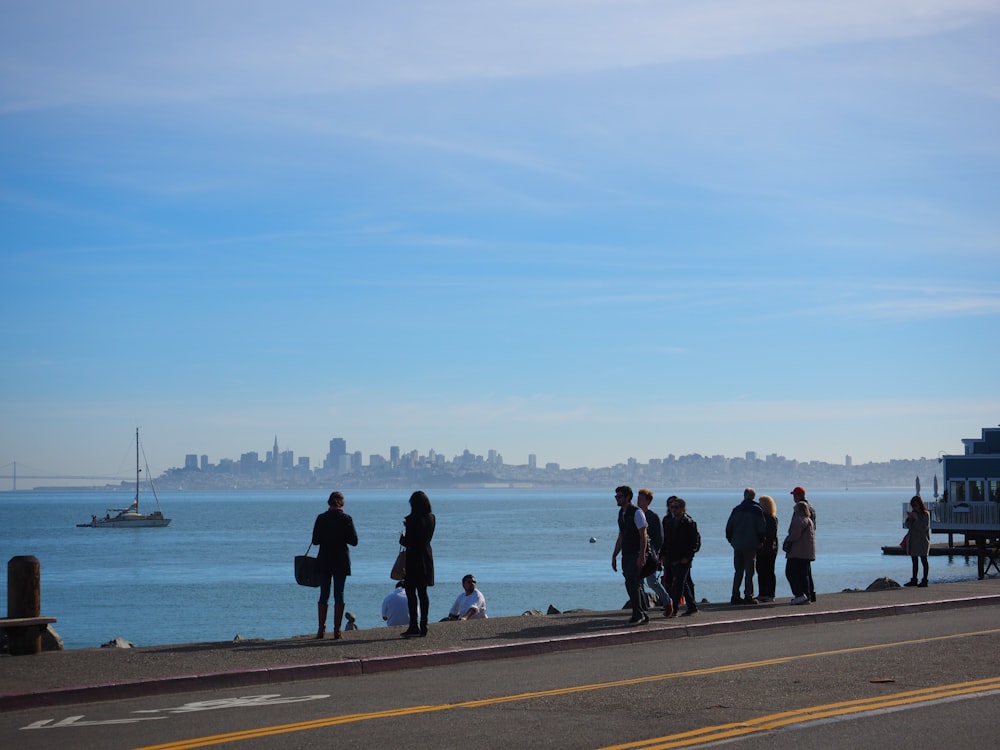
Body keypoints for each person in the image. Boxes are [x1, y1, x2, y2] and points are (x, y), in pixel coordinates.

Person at [311, 491, 359, 640]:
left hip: (324, 560)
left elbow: (315, 541)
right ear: (341, 503)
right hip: (341, 560)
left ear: (329, 502)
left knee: (324, 595)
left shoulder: (321, 518)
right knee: (339, 594)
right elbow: (354, 541)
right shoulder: (346, 519)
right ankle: (337, 630)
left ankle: (321, 630)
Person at [611, 485, 649, 625]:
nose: (617, 499)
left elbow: (643, 535)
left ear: (628, 497)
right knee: (631, 583)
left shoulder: (637, 513)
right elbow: (621, 535)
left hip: (636, 552)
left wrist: (642, 555)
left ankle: (639, 613)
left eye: (620, 496)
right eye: (616, 496)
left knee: (633, 582)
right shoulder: (622, 513)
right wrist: (614, 555)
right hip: (626, 553)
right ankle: (641, 613)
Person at [400, 490, 436, 638]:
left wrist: (402, 537)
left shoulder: (412, 519)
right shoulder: (432, 518)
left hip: (414, 558)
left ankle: (413, 625)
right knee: (423, 592)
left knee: (411, 592)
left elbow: (409, 541)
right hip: (426, 556)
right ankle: (424, 624)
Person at [726, 488, 766, 605]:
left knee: (738, 571)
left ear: (744, 496)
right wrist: (760, 542)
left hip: (737, 544)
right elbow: (762, 528)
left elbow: (729, 528)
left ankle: (735, 595)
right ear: (753, 497)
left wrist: (732, 541)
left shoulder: (736, 510)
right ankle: (748, 595)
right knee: (749, 572)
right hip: (751, 544)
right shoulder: (757, 510)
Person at [636, 488, 672, 616]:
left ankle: (668, 602)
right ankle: (641, 609)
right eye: (638, 498)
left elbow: (659, 538)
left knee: (652, 582)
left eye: (641, 498)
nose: (638, 500)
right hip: (638, 554)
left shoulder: (653, 517)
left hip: (650, 555)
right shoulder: (636, 515)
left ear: (648, 501)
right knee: (637, 582)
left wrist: (655, 553)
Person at [661, 496, 699, 616]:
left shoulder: (689, 523)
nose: (673, 510)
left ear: (683, 509)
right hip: (671, 557)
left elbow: (695, 542)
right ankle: (692, 606)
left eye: (676, 507)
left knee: (678, 583)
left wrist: (688, 557)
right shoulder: (669, 522)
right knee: (682, 583)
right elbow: (665, 540)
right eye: (672, 507)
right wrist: (662, 555)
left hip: (684, 559)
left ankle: (675, 608)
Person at [783, 498, 816, 604]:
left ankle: (799, 594)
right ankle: (807, 595)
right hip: (806, 552)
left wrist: (787, 539)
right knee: (803, 574)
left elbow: (794, 535)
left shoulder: (799, 520)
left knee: (790, 573)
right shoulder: (809, 520)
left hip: (797, 552)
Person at [791, 486, 817, 601]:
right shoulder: (811, 508)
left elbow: (798, 528)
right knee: (806, 571)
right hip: (807, 544)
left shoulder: (801, 508)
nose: (793, 498)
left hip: (801, 544)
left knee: (798, 571)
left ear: (799, 496)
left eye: (794, 495)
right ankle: (810, 594)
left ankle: (805, 595)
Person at [756, 495, 779, 602]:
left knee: (768, 570)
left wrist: (761, 540)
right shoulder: (768, 517)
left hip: (768, 548)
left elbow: (770, 534)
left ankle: (769, 593)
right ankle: (763, 593)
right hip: (767, 548)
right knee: (761, 570)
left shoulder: (770, 518)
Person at [904, 495, 931, 587]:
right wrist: (910, 518)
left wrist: (917, 519)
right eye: (913, 506)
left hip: (922, 540)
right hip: (913, 540)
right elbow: (907, 525)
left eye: (916, 505)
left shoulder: (925, 514)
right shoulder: (913, 513)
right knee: (914, 561)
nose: (914, 507)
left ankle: (925, 580)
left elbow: (924, 527)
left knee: (924, 560)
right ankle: (914, 579)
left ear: (920, 504)